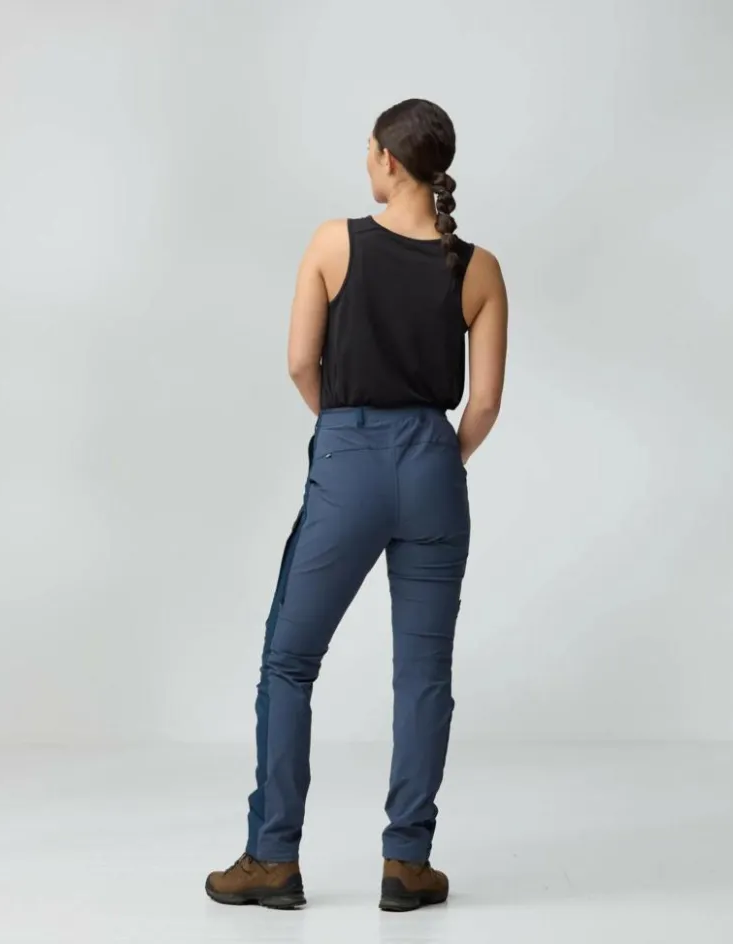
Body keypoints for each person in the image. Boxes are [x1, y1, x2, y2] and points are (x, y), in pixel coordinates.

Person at [205, 98, 508, 912]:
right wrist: (439, 458)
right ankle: (407, 864)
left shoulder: (333, 243)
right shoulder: (480, 268)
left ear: (387, 160)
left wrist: (347, 433)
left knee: (289, 660)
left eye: (368, 151)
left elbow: (300, 363)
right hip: (435, 465)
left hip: (350, 455)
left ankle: (273, 858)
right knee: (424, 673)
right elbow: (483, 405)